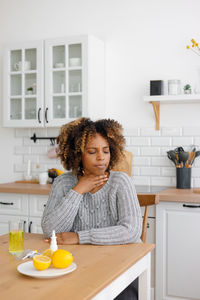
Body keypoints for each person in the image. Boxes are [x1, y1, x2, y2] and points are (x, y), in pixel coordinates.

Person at [41, 117, 142, 300]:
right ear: (77, 154)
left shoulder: (120, 182)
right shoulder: (64, 183)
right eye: (92, 151)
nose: (101, 157)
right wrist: (79, 189)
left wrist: (80, 237)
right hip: (79, 264)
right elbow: (50, 230)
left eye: (106, 150)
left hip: (120, 266)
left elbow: (131, 231)